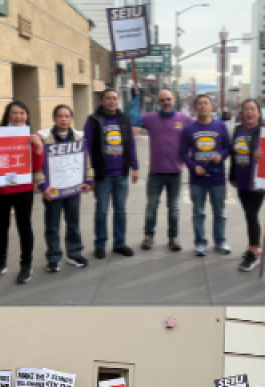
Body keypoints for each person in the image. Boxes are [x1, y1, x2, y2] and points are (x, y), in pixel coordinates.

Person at [0, 101, 44, 283]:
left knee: (24, 227)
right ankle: (0, 264)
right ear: (7, 116)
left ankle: (26, 266)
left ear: (27, 116)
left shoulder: (32, 137)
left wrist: (39, 148)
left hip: (23, 190)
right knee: (1, 228)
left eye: (22, 112)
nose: (19, 116)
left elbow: (37, 166)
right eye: (15, 113)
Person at [35, 104, 93, 271]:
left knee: (73, 223)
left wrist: (88, 180)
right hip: (53, 190)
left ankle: (74, 254)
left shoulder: (79, 138)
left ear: (71, 119)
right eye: (60, 116)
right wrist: (43, 185)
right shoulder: (45, 139)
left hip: (73, 189)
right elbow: (38, 166)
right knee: (52, 225)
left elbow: (86, 161)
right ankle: (53, 258)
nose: (64, 119)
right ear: (54, 118)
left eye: (67, 116)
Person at [84, 88, 139, 259]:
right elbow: (87, 149)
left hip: (121, 174)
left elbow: (130, 145)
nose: (112, 101)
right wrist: (89, 175)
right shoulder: (93, 121)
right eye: (108, 98)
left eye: (115, 98)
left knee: (120, 210)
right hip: (102, 176)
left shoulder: (124, 119)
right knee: (101, 211)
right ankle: (100, 244)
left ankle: (119, 243)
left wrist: (134, 167)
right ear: (102, 101)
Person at [140, 90, 193, 251]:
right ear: (158, 102)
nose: (166, 102)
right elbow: (131, 118)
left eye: (168, 99)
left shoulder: (185, 119)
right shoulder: (150, 118)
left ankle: (173, 237)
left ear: (174, 100)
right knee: (151, 206)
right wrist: (135, 98)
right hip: (155, 173)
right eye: (162, 100)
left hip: (175, 173)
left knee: (174, 207)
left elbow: (201, 128)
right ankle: (149, 235)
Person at [181, 94, 231, 256]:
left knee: (220, 213)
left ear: (211, 107)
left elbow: (228, 147)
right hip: (197, 179)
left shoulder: (221, 126)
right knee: (198, 212)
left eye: (206, 103)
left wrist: (221, 156)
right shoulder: (189, 129)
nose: (203, 106)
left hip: (218, 178)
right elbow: (183, 153)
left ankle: (220, 240)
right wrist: (193, 167)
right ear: (195, 108)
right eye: (200, 104)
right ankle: (200, 243)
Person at [230, 100, 265, 270]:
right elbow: (234, 154)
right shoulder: (238, 130)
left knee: (251, 215)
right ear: (243, 113)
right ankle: (255, 245)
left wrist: (262, 156)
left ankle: (252, 254)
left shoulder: (263, 131)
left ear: (258, 112)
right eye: (246, 109)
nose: (250, 112)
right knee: (249, 215)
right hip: (241, 180)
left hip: (257, 181)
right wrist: (232, 176)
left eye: (253, 109)